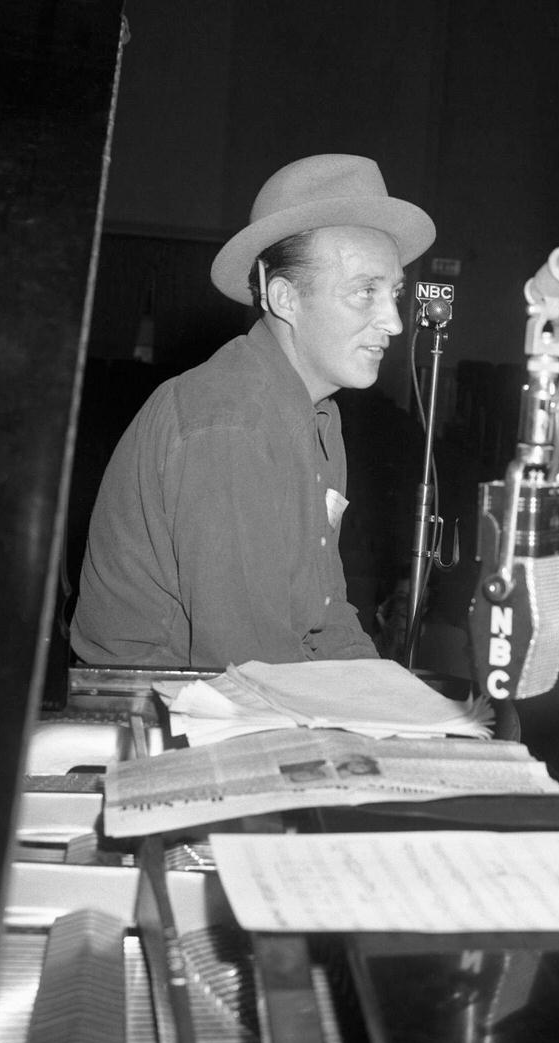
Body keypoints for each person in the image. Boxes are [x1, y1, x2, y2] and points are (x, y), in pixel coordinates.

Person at [70, 154, 435, 669]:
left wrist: (383, 690)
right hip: (166, 706)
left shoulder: (317, 418)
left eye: (394, 293)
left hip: (249, 689)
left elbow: (326, 616)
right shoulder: (230, 424)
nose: (394, 322)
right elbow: (248, 664)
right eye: (365, 292)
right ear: (285, 297)